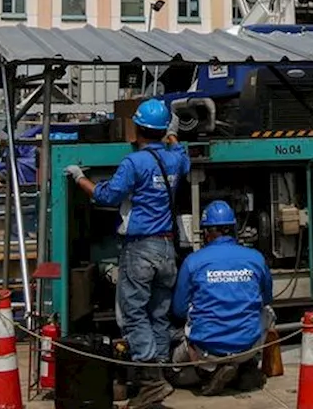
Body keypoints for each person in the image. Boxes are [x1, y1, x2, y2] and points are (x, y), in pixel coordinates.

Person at [66, 98, 189, 409]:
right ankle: (159, 371)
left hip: (141, 248)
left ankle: (150, 380)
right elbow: (180, 152)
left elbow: (108, 195)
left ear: (136, 128)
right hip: (166, 249)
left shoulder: (134, 163)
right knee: (158, 315)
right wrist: (171, 134)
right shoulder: (175, 159)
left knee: (133, 315)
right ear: (163, 130)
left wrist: (80, 177)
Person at [169, 200, 274, 395]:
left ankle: (208, 374)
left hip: (206, 350)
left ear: (206, 232)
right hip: (246, 347)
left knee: (173, 372)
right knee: (268, 313)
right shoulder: (256, 258)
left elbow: (179, 310)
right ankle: (247, 367)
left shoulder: (193, 262)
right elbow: (267, 299)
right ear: (234, 229)